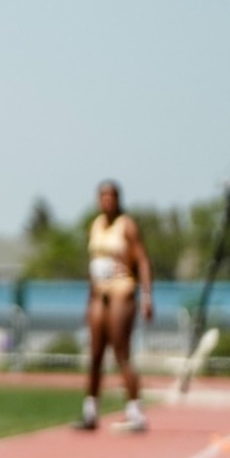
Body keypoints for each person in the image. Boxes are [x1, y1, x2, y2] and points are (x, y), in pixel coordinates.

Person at [75, 179, 153, 433]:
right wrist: (89, 299)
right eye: (103, 196)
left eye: (111, 196)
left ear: (118, 199)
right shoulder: (96, 225)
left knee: (121, 351)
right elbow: (93, 263)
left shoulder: (126, 225)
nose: (107, 201)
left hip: (121, 290)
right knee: (95, 353)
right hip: (100, 293)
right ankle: (90, 411)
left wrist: (147, 295)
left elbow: (142, 260)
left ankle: (135, 412)